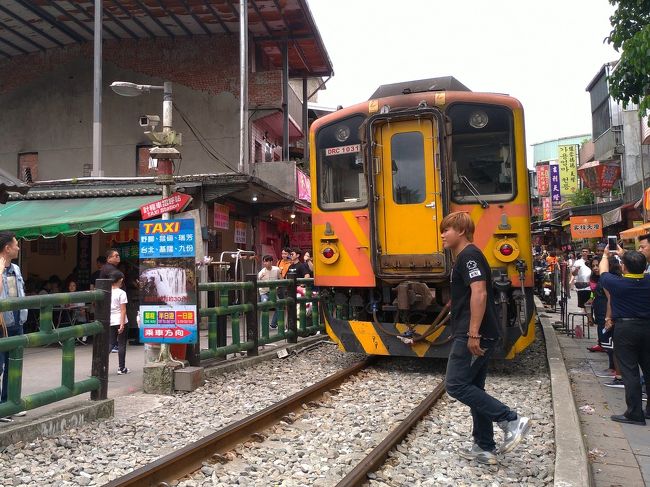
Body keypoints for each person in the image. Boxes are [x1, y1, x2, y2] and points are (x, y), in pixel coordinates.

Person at [440, 212, 530, 465]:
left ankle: (510, 419)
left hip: (476, 332)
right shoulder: (466, 257)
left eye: (446, 230)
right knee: (474, 388)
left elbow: (478, 293)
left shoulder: (469, 255)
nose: (443, 235)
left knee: (456, 385)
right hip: (478, 330)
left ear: (460, 230)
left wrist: (472, 332)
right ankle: (484, 446)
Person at [599, 247, 650, 425]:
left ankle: (635, 413)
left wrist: (606, 255)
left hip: (626, 329)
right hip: (648, 327)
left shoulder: (616, 283)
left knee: (629, 371)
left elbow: (603, 270)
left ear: (623, 268)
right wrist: (625, 255)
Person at [0, 231, 27, 422]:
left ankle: (10, 403)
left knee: (14, 366)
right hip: (2, 323)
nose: (18, 247)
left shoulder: (16, 269)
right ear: (7, 248)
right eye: (16, 244)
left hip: (17, 322)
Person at [109, 270, 129, 375]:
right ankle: (121, 368)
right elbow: (123, 310)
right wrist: (122, 324)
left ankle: (101, 366)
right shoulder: (122, 293)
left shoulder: (107, 291)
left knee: (111, 343)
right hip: (120, 320)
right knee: (122, 344)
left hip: (110, 320)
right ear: (120, 280)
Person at [257, 255, 282, 329]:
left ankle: (274, 324)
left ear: (271, 262)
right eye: (264, 261)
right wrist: (260, 279)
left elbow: (281, 278)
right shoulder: (262, 272)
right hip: (264, 292)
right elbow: (257, 282)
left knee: (279, 306)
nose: (265, 263)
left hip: (273, 291)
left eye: (266, 261)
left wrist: (279, 286)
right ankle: (264, 325)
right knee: (264, 306)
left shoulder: (277, 269)